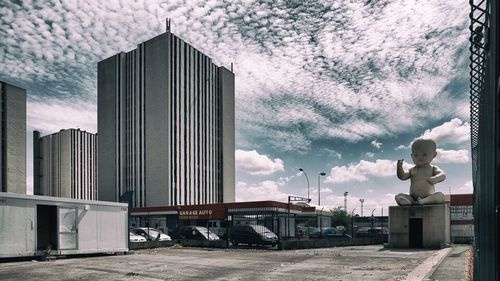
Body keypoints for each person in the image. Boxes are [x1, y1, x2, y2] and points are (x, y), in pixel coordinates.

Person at [395, 139, 445, 205]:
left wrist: (436, 178)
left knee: (440, 196)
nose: (420, 157)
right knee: (398, 196)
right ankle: (410, 202)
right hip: (412, 197)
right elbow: (403, 176)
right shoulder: (412, 170)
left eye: (424, 154)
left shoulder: (432, 168)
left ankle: (424, 201)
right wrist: (399, 168)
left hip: (429, 196)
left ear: (434, 154)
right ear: (412, 156)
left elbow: (442, 175)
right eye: (416, 155)